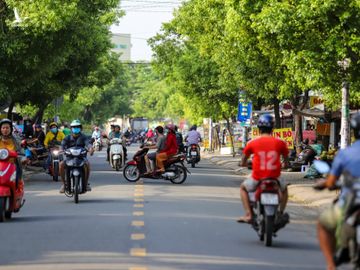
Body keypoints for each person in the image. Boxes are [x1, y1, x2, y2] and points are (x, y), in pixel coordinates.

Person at [314, 112, 360, 270]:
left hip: (349, 202)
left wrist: (325, 184)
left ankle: (331, 265)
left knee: (323, 224)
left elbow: (331, 181)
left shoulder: (345, 154)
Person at [237, 114, 289, 223]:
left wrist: (244, 164)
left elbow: (243, 162)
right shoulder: (281, 143)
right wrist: (284, 166)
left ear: (259, 128)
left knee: (243, 188)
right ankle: (280, 213)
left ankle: (249, 214)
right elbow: (286, 162)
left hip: (257, 178)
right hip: (275, 178)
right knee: (285, 190)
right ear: (272, 128)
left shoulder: (252, 143)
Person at [59, 120, 94, 193]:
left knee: (87, 165)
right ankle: (64, 184)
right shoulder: (67, 137)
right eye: (74, 127)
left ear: (80, 128)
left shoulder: (84, 137)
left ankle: (86, 183)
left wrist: (91, 149)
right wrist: (61, 149)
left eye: (77, 127)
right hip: (69, 157)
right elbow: (62, 145)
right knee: (61, 164)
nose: (76, 128)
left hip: (81, 157)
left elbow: (88, 144)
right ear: (71, 128)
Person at [0, 119, 24, 185]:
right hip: (0, 165)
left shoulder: (16, 139)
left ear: (11, 129)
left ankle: (18, 184)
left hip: (12, 164)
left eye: (7, 128)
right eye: (3, 128)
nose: (5, 130)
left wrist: (24, 157)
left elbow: (21, 149)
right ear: (0, 129)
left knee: (17, 180)